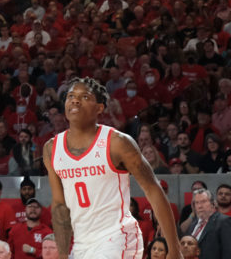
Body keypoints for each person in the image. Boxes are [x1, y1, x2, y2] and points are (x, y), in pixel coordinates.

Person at [43, 78, 181, 259]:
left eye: (84, 96)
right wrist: (62, 254)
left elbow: (153, 189)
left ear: (99, 108)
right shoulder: (51, 148)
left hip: (118, 237)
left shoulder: (117, 143)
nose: (75, 100)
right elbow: (60, 205)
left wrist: (175, 250)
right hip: (82, 243)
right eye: (71, 96)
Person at [182, 189, 231, 259]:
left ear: (213, 204)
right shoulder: (193, 224)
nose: (199, 206)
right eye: (197, 203)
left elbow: (228, 252)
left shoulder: (223, 221)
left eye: (203, 202)